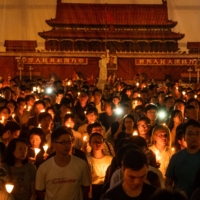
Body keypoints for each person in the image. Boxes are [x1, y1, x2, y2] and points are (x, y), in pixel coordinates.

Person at [35, 126, 91, 200]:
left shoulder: (81, 164)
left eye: (69, 142)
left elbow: (86, 186)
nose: (67, 145)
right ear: (54, 144)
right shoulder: (44, 168)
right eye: (63, 142)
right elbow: (39, 191)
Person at [165, 119, 200, 198]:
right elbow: (168, 184)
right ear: (184, 137)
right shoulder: (176, 158)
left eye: (197, 133)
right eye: (190, 134)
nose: (194, 137)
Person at [87, 133, 113, 200]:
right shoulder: (87, 160)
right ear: (90, 143)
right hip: (92, 188)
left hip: (106, 187)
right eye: (95, 141)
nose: (98, 144)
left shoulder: (110, 159)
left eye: (100, 141)